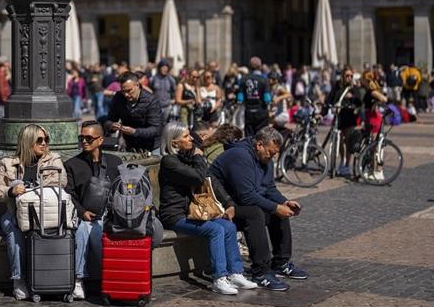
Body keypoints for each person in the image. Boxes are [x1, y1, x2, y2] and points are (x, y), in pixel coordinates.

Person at [157, 122, 257, 295]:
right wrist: (198, 157)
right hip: (175, 215)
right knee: (215, 229)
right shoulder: (169, 162)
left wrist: (228, 202)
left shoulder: (186, 157)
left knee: (229, 226)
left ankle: (235, 273)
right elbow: (198, 177)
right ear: (174, 143)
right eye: (186, 137)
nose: (191, 139)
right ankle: (219, 279)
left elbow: (211, 180)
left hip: (193, 213)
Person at [209, 127, 307, 291]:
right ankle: (261, 272)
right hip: (220, 206)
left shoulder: (264, 159)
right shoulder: (240, 156)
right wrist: (276, 207)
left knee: (277, 212)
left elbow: (269, 188)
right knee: (255, 214)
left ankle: (281, 263)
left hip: (237, 203)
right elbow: (246, 196)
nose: (273, 156)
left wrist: (285, 202)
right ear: (259, 145)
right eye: (270, 152)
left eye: (275, 153)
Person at [0, 124, 66, 301]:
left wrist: (30, 189)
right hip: (15, 213)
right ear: (27, 142)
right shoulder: (8, 164)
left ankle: (50, 279)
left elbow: (61, 181)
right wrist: (11, 191)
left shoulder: (53, 159)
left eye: (46, 140)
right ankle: (19, 281)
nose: (44, 144)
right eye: (39, 140)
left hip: (44, 212)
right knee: (12, 228)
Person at [64, 120, 122, 300]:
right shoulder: (72, 164)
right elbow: (69, 194)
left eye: (89, 138)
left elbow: (122, 191)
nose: (84, 141)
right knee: (84, 229)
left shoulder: (115, 162)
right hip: (86, 217)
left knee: (97, 233)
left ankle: (110, 279)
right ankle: (79, 280)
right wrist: (82, 212)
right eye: (81, 137)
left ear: (101, 140)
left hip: (110, 216)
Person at [103, 71, 164, 155]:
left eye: (129, 90)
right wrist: (111, 126)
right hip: (130, 146)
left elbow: (156, 129)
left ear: (137, 85)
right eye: (123, 91)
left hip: (151, 147)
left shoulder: (151, 101)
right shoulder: (118, 97)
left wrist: (135, 132)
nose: (126, 94)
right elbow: (108, 120)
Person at [327, 67, 362, 177]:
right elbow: (330, 99)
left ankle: (347, 164)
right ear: (342, 76)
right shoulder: (337, 86)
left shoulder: (353, 87)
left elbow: (359, 101)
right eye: (347, 76)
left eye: (351, 76)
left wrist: (352, 97)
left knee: (348, 140)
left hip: (349, 116)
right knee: (339, 140)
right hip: (339, 116)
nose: (349, 78)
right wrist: (323, 111)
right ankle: (342, 160)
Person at [238, 56, 272, 138]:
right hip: (261, 111)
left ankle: (250, 150)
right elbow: (267, 98)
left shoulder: (243, 79)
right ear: (260, 67)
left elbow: (240, 98)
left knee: (249, 136)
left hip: (249, 111)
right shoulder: (264, 80)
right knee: (262, 136)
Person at [150, 60, 177, 125]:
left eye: (166, 67)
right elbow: (150, 90)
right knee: (156, 123)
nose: (164, 69)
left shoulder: (171, 79)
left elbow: (175, 91)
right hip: (156, 106)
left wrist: (173, 100)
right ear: (159, 68)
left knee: (166, 124)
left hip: (167, 106)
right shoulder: (153, 79)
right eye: (163, 67)